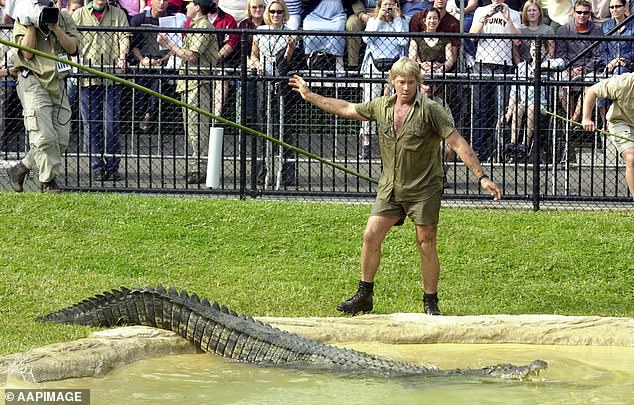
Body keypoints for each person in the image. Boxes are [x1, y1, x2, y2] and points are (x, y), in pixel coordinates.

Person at [289, 58, 502, 316]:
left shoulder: (432, 110)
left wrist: (482, 177)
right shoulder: (381, 106)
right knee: (371, 235)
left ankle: (430, 302)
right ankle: (364, 294)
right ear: (392, 82)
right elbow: (346, 108)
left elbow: (457, 143)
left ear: (418, 83)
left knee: (426, 242)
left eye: (411, 82)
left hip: (424, 188)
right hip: (390, 187)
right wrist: (310, 95)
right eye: (401, 82)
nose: (406, 87)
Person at [7, 1, 80, 193]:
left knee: (61, 138)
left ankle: (21, 167)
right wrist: (31, 25)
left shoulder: (63, 17)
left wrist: (55, 27)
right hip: (32, 80)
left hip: (58, 81)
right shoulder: (22, 18)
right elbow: (26, 53)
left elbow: (72, 48)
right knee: (44, 137)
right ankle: (48, 183)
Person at [159, 0, 218, 184]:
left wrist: (169, 45)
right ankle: (196, 167)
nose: (186, 7)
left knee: (198, 128)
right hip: (188, 82)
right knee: (191, 128)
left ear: (198, 7)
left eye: (189, 3)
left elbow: (192, 55)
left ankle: (200, 169)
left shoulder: (204, 26)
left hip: (198, 83)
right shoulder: (194, 25)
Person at [73, 0, 130, 182]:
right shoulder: (79, 15)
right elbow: (70, 42)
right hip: (87, 77)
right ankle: (97, 166)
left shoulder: (118, 14)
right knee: (92, 125)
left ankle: (112, 166)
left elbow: (124, 38)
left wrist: (122, 57)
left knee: (111, 123)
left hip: (111, 77)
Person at [251, 0, 298, 187]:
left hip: (281, 82)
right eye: (272, 12)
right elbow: (253, 55)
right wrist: (257, 65)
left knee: (284, 127)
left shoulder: (289, 33)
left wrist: (290, 47)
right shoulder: (260, 32)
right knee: (263, 125)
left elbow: (287, 61)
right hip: (264, 81)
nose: (276, 15)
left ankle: (287, 175)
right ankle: (262, 173)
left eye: (279, 12)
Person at [469, 0, 521, 162]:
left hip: (503, 65)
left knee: (501, 112)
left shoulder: (514, 14)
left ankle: (499, 150)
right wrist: (485, 17)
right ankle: (479, 150)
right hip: (482, 63)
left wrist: (508, 19)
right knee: (480, 109)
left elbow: (518, 40)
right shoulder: (480, 11)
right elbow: (472, 36)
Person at [359, 0, 408, 159]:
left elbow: (403, 41)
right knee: (369, 102)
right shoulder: (373, 21)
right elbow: (367, 40)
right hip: (375, 64)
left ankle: (393, 140)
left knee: (395, 105)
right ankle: (366, 140)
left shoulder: (401, 22)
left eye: (391, 4)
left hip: (394, 67)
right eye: (385, 4)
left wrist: (397, 18)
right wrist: (379, 17)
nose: (388, 8)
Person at [582, 72, 634, 199]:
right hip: (621, 122)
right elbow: (592, 91)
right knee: (632, 158)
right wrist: (586, 118)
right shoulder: (623, 82)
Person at [554, 0, 602, 124]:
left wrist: (585, 69)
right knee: (561, 81)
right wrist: (571, 68)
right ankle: (573, 120)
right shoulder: (563, 30)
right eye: (579, 12)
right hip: (568, 67)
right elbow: (560, 54)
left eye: (585, 13)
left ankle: (573, 121)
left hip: (588, 69)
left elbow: (597, 56)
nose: (582, 15)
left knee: (589, 84)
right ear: (573, 13)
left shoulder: (596, 32)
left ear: (589, 14)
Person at [501, 41, 550, 162]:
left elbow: (561, 63)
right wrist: (508, 112)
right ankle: (513, 144)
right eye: (533, 47)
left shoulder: (549, 64)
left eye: (540, 47)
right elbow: (514, 92)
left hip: (541, 105)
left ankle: (525, 145)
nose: (535, 50)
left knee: (532, 108)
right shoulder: (522, 67)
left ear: (545, 51)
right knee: (519, 108)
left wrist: (540, 66)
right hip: (523, 102)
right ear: (529, 50)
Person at [129, 0, 174, 132]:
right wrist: (142, 59)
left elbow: (177, 45)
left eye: (165, 0)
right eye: (158, 0)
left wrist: (163, 60)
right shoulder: (139, 19)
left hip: (163, 62)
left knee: (157, 84)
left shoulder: (171, 20)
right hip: (142, 60)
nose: (161, 3)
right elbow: (133, 45)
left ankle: (148, 115)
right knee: (141, 84)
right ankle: (142, 114)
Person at [208, 0, 239, 117]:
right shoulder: (195, 19)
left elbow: (231, 43)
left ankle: (216, 117)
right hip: (198, 59)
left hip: (222, 60)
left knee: (222, 76)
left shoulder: (228, 19)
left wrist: (214, 58)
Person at [302, 0, 348, 70]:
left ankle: (339, 63)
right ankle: (309, 63)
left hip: (337, 14)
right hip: (316, 13)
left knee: (338, 28)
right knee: (308, 26)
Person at [408, 7, 455, 74]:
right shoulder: (417, 38)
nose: (432, 21)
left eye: (435, 18)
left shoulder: (445, 38)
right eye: (429, 18)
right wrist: (422, 68)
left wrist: (440, 70)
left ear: (439, 21)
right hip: (421, 73)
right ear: (424, 21)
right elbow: (412, 59)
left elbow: (450, 60)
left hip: (439, 73)